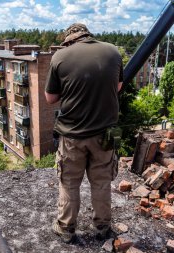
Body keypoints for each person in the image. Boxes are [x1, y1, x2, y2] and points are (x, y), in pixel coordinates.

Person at [45, 23, 123, 243]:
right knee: (101, 182)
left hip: (72, 136)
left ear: (69, 40)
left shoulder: (60, 56)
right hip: (105, 135)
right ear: (88, 35)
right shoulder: (113, 51)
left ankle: (66, 229)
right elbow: (118, 86)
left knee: (69, 182)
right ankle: (102, 228)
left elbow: (50, 98)